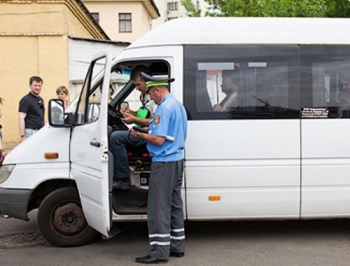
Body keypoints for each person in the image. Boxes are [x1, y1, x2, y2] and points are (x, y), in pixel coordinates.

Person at [129, 72, 187, 264]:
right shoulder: (178, 106)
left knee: (158, 207)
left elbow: (158, 139)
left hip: (164, 162)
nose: (150, 97)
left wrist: (138, 134)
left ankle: (159, 252)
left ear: (157, 89)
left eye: (150, 93)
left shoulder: (163, 108)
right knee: (174, 204)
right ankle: (177, 246)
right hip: (178, 160)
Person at [109, 65, 155, 190]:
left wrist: (134, 119)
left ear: (147, 81)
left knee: (115, 138)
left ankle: (122, 178)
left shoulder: (154, 96)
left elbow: (154, 121)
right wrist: (131, 112)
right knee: (117, 130)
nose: (136, 88)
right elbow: (145, 114)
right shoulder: (145, 95)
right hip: (144, 129)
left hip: (150, 134)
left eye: (138, 85)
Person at [18, 76, 45, 142]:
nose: (37, 88)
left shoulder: (40, 100)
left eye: (39, 86)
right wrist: (22, 135)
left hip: (40, 131)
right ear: (30, 86)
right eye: (35, 85)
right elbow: (21, 118)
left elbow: (41, 117)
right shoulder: (26, 100)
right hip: (30, 132)